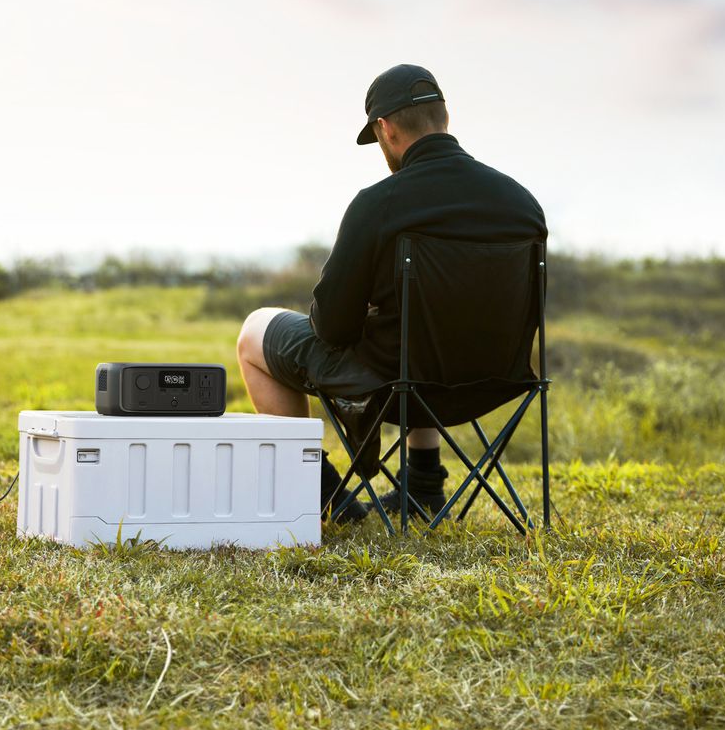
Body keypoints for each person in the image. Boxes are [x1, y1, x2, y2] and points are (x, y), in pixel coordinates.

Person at [234, 64, 547, 524]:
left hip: (394, 386)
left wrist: (365, 311)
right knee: (419, 332)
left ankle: (325, 495)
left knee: (253, 332)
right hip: (493, 380)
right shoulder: (523, 204)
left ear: (385, 129)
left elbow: (332, 328)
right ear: (445, 118)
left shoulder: (378, 204)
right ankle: (422, 486)